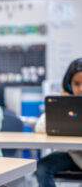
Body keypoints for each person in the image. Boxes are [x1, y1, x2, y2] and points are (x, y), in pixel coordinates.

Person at [35, 58, 82, 187]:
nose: (81, 89)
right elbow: (40, 126)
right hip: (73, 154)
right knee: (42, 167)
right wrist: (65, 102)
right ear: (68, 85)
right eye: (76, 83)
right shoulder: (66, 103)